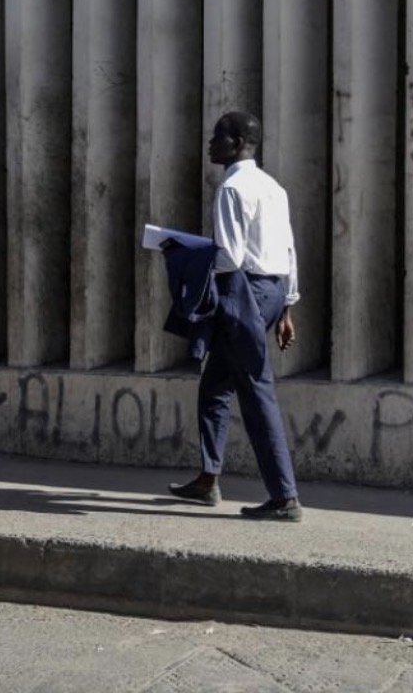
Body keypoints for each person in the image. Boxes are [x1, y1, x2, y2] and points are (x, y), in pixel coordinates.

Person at [167, 111, 303, 522]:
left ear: (238, 142)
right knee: (215, 386)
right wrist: (287, 306)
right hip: (271, 291)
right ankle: (208, 479)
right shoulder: (273, 187)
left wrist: (184, 255)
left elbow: (229, 258)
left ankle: (285, 498)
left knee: (256, 390)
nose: (211, 143)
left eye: (218, 136)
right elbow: (289, 250)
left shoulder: (231, 188)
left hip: (244, 293)